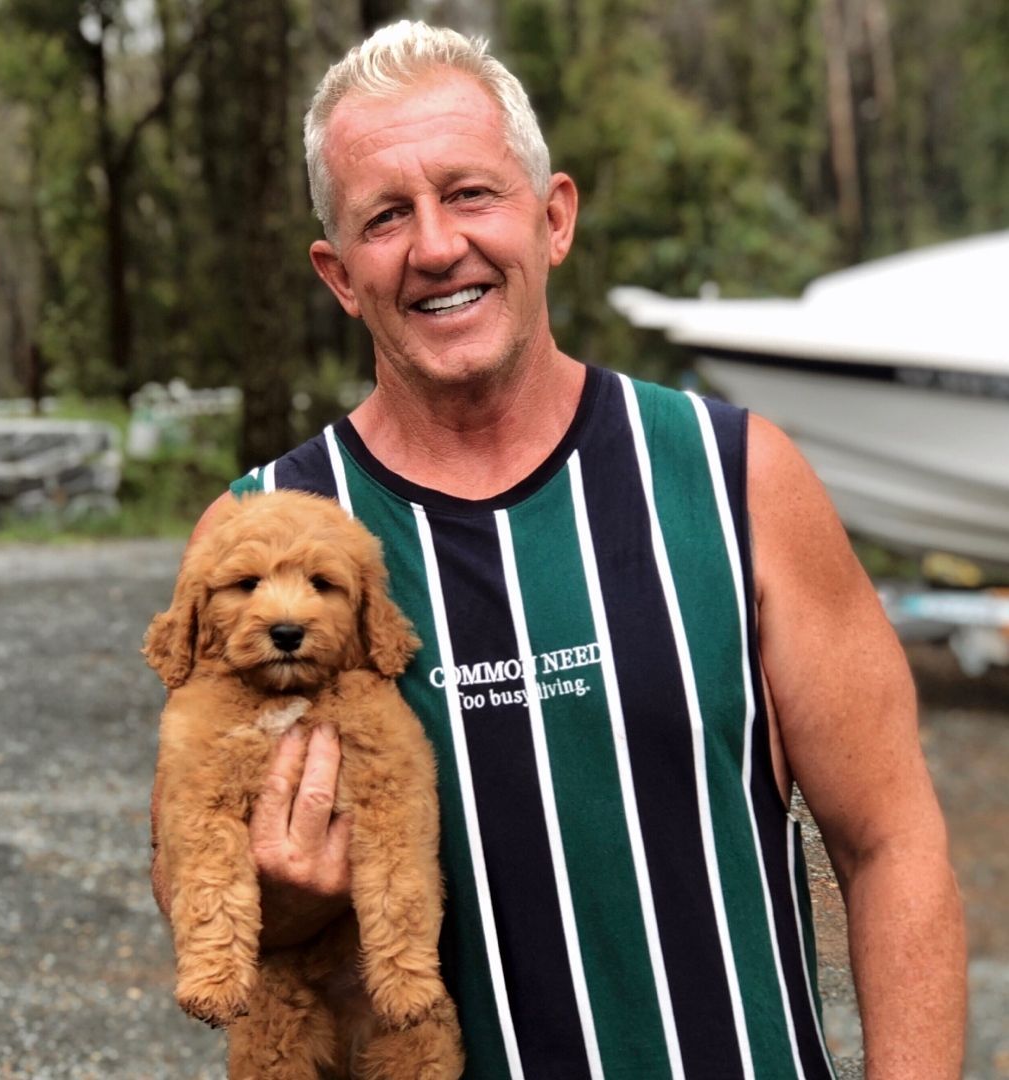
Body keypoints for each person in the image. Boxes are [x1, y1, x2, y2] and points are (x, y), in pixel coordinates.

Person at [151, 21, 966, 1078]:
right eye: (385, 216)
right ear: (340, 274)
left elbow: (891, 841)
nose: (436, 245)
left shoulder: (732, 477)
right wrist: (293, 900)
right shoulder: (263, 532)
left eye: (470, 194)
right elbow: (188, 858)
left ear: (553, 217)